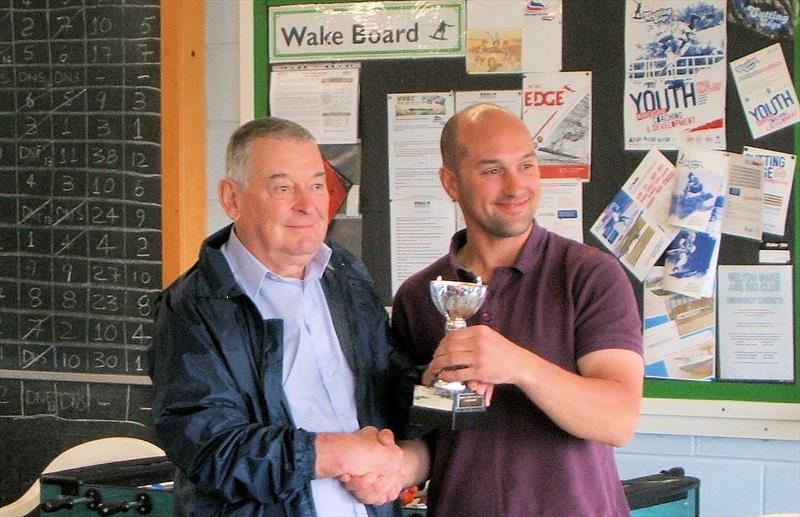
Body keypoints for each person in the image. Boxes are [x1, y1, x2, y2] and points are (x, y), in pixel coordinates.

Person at [149, 117, 428, 516]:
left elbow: (384, 386)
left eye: (317, 186)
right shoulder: (192, 307)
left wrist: (434, 386)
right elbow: (212, 448)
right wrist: (339, 453)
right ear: (232, 199)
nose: (308, 205)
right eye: (283, 188)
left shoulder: (345, 275)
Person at [391, 104, 644, 516]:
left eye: (526, 165)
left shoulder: (590, 276)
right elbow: (426, 440)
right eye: (492, 171)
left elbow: (618, 420)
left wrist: (518, 366)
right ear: (451, 182)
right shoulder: (420, 296)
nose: (515, 187)